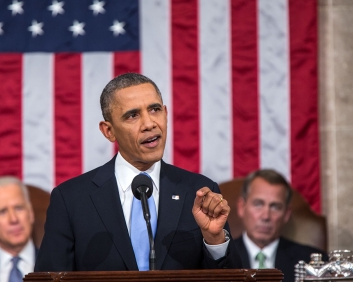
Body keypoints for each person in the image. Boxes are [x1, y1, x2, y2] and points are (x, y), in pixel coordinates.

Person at [35, 73, 242, 271]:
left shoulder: (198, 192)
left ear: (166, 114)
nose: (149, 124)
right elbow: (50, 277)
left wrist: (214, 240)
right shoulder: (71, 200)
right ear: (109, 131)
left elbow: (232, 279)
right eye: (132, 115)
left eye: (154, 110)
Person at [234, 169, 328, 282]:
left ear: (287, 214)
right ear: (241, 207)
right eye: (258, 204)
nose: (265, 216)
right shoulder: (216, 261)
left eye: (275, 207)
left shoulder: (313, 263)